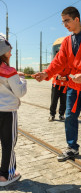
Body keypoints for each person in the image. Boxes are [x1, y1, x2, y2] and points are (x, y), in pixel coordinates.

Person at [32, 6, 81, 163]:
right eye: (63, 22)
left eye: (67, 21)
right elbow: (59, 61)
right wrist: (46, 73)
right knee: (70, 116)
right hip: (73, 85)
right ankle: (72, 147)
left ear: (76, 19)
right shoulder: (66, 42)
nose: (65, 25)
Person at [0, 36, 27, 186]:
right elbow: (20, 92)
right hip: (7, 111)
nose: (11, 53)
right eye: (9, 51)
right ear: (3, 52)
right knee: (8, 143)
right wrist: (22, 80)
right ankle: (6, 175)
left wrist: (17, 76)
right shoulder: (9, 70)